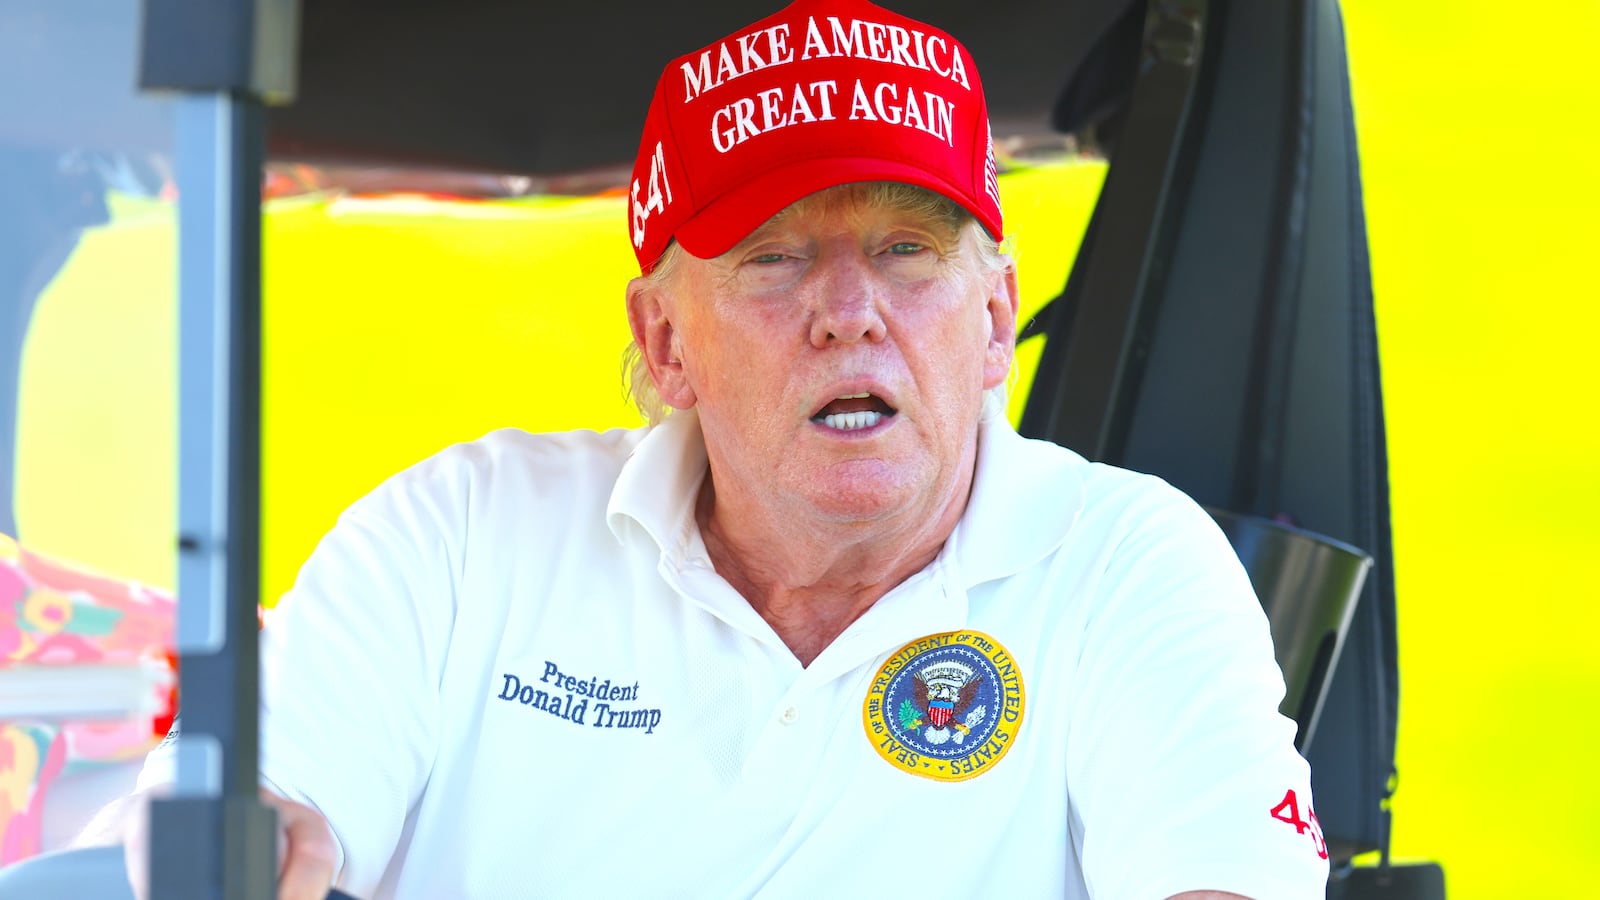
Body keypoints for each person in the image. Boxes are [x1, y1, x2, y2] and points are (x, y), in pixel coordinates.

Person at [87, 0, 1330, 897]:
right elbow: (238, 819)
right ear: (664, 341)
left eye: (905, 250)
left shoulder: (1124, 562)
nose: (850, 311)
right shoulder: (460, 533)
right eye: (774, 259)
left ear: (996, 316)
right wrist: (259, 833)